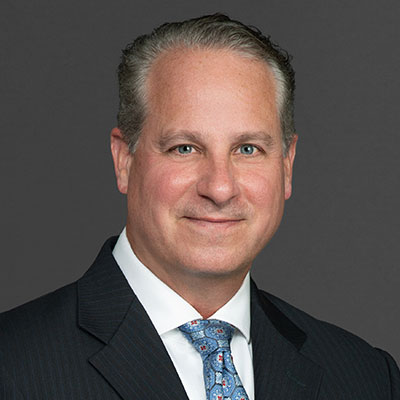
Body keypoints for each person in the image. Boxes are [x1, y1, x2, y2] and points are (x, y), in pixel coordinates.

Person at [0, 13, 399, 400]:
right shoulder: (12, 367)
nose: (220, 188)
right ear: (124, 160)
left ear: (286, 165)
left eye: (248, 149)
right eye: (184, 148)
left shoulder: (367, 378)